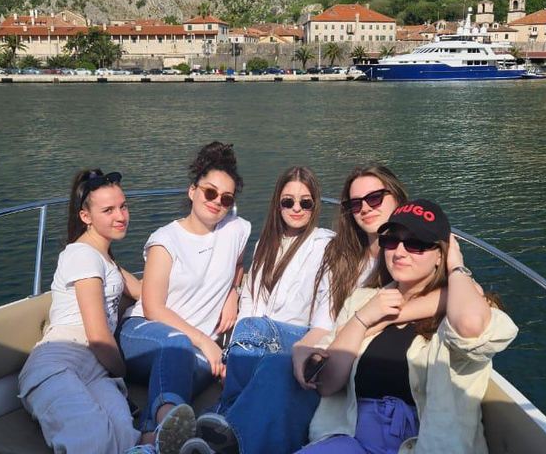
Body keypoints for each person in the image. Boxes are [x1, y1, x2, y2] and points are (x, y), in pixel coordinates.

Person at [184, 166, 441, 454]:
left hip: (362, 360)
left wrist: (370, 320)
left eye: (375, 198)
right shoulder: (344, 255)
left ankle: (226, 424)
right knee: (274, 364)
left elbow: (452, 293)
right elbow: (325, 321)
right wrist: (303, 349)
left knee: (265, 350)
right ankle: (230, 428)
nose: (365, 208)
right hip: (333, 349)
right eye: (355, 203)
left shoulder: (407, 252)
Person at [299, 199, 519, 454]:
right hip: (353, 441)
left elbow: (471, 325)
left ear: (441, 255)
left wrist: (457, 266)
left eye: (416, 244)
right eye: (391, 241)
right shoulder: (363, 301)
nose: (399, 252)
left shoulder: (464, 308)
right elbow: (327, 384)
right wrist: (361, 320)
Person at [17, 169, 192, 454]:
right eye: (108, 210)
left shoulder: (105, 260)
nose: (121, 216)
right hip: (60, 362)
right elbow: (98, 335)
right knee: (93, 441)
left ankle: (170, 443)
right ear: (85, 217)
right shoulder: (82, 255)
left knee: (127, 439)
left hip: (95, 372)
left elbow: (140, 291)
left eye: (123, 206)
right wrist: (122, 369)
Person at [119, 142, 251, 453]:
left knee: (189, 358)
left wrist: (232, 291)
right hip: (143, 334)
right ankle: (167, 427)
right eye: (209, 192)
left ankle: (150, 442)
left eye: (226, 198)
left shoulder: (237, 230)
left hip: (194, 351)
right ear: (192, 191)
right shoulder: (166, 240)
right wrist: (205, 341)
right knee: (176, 344)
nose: (217, 202)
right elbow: (152, 306)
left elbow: (238, 265)